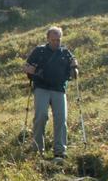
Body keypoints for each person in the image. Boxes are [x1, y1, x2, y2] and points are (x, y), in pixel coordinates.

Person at [23, 26, 79, 159]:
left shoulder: (66, 53)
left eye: (58, 40)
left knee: (61, 119)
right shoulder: (39, 51)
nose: (56, 42)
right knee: (41, 116)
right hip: (41, 88)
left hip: (59, 89)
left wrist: (74, 69)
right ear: (48, 39)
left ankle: (60, 151)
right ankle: (37, 150)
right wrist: (29, 70)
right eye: (53, 40)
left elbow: (73, 71)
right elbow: (25, 66)